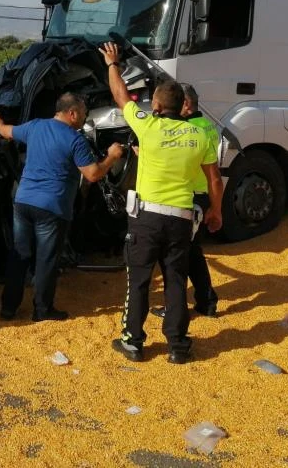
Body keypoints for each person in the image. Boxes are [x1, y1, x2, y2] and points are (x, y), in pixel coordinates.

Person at [99, 42, 223, 364]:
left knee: (139, 280)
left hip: (147, 218)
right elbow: (214, 180)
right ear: (183, 106)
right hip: (181, 218)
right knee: (176, 281)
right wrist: (216, 211)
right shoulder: (200, 135)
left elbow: (120, 95)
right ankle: (178, 346)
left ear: (155, 104)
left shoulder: (148, 124)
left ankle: (133, 342)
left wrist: (112, 63)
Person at [0, 93, 125, 322]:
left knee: (20, 254)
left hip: (23, 202)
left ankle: (8, 307)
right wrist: (111, 157)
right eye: (83, 112)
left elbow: (7, 132)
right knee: (46, 259)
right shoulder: (75, 140)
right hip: (52, 207)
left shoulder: (35, 126)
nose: (85, 116)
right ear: (72, 113)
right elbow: (92, 174)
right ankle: (42, 310)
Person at [150, 83, 220, 319]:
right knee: (192, 252)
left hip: (189, 196)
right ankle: (206, 301)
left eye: (178, 102)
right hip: (202, 195)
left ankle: (177, 307)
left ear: (186, 104)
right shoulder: (207, 126)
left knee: (175, 255)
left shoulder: (189, 129)